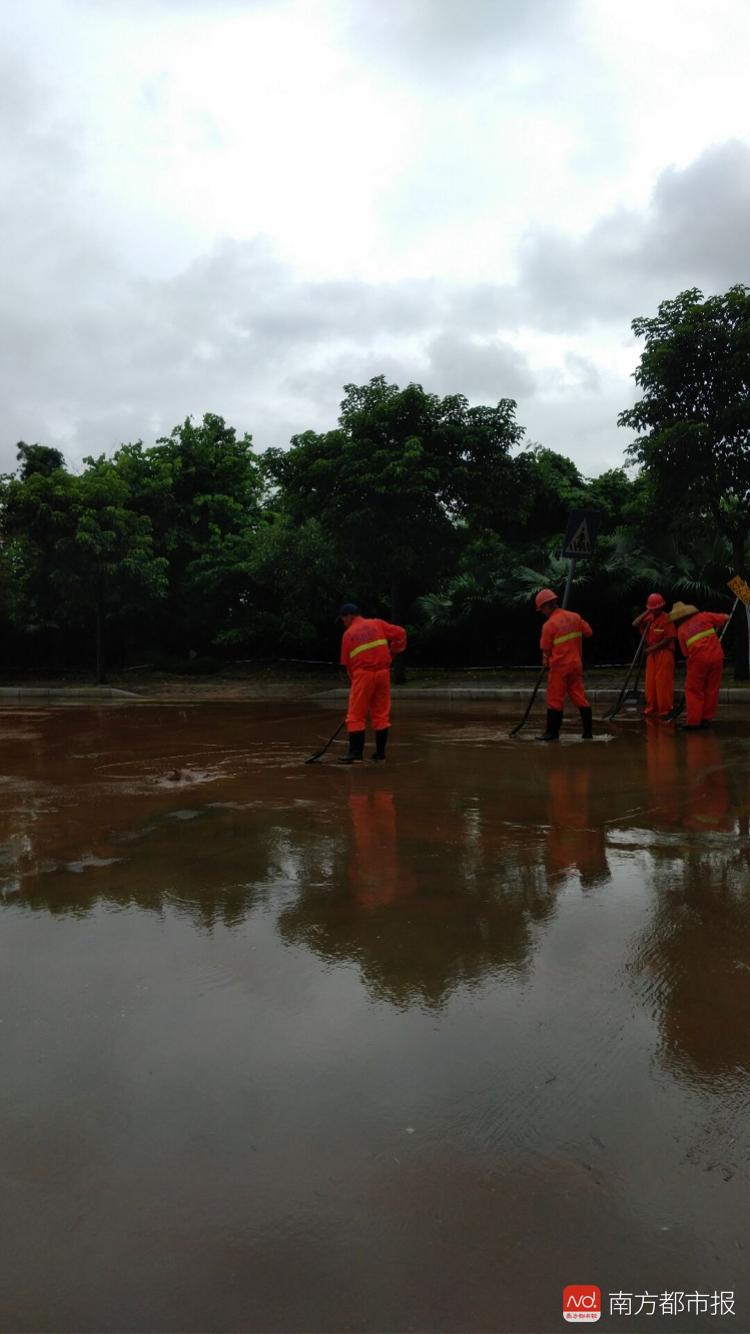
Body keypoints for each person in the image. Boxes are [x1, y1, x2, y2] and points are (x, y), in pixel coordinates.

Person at [337, 603, 407, 763]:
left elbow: (348, 664)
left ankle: (355, 754)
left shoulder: (348, 634)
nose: (343, 622)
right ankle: (380, 753)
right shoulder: (378, 623)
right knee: (381, 714)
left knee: (355, 715)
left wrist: (355, 684)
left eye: (342, 619)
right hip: (383, 674)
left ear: (348, 616)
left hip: (363, 675)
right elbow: (401, 633)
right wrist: (394, 651)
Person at [535, 589, 593, 741]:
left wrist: (545, 662)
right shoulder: (575, 616)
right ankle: (588, 733)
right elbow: (588, 632)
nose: (542, 612)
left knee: (555, 699)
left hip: (559, 668)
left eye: (542, 609)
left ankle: (552, 733)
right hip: (576, 665)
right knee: (579, 696)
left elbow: (546, 650)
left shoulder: (549, 625)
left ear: (547, 606)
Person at [668, 601, 730, 731]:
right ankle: (706, 719)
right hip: (717, 657)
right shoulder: (704, 616)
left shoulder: (681, 630)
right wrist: (722, 621)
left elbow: (686, 654)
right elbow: (725, 617)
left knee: (693, 690)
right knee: (711, 689)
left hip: (698, 661)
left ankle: (694, 722)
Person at [632, 592, 677, 719]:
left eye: (656, 608)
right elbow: (635, 624)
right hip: (652, 654)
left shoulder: (667, 618)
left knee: (662, 682)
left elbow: (670, 637)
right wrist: (647, 612)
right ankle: (652, 708)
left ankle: (665, 709)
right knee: (650, 682)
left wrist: (653, 647)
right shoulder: (649, 618)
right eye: (653, 608)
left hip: (665, 653)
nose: (655, 610)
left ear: (661, 607)